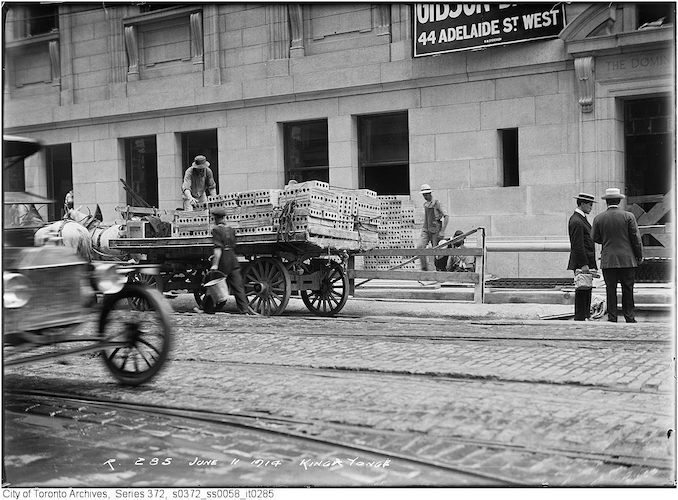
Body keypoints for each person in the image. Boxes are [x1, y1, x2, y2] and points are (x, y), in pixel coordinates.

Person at [591, 187, 644, 323]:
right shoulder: (628, 216)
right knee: (628, 289)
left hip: (608, 259)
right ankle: (629, 317)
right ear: (619, 200)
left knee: (610, 289)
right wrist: (639, 255)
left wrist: (607, 241)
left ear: (606, 202)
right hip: (627, 259)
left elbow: (594, 237)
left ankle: (612, 317)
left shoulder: (598, 218)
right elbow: (636, 239)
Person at [208, 207, 252, 315]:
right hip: (232, 258)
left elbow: (218, 249)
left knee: (214, 283)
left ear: (215, 219)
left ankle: (207, 307)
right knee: (238, 286)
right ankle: (244, 310)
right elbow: (233, 244)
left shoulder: (216, 230)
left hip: (223, 259)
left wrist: (215, 265)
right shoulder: (231, 229)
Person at [567, 193, 598, 321]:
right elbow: (577, 245)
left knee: (586, 289)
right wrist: (584, 264)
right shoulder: (577, 221)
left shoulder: (580, 219)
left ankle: (584, 315)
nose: (591, 207)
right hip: (582, 262)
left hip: (586, 261)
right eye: (589, 204)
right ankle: (580, 316)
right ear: (582, 204)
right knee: (582, 290)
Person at [417, 184, 448, 271]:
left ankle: (438, 270)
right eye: (424, 195)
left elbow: (446, 216)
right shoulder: (425, 205)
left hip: (435, 229)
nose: (425, 196)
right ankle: (424, 268)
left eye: (426, 194)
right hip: (426, 229)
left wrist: (442, 231)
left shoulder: (437, 203)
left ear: (430, 193)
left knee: (436, 252)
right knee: (419, 247)